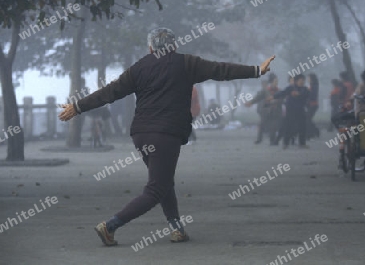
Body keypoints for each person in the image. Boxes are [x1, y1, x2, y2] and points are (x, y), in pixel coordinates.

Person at [58, 27, 275, 246]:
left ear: (151, 47)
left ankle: (177, 229)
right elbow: (221, 70)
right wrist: (257, 70)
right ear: (174, 46)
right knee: (156, 188)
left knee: (163, 180)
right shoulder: (187, 63)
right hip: (166, 135)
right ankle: (110, 226)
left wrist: (77, 107)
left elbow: (109, 92)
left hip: (141, 134)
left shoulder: (139, 67)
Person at [273, 74, 310, 149]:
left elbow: (305, 95)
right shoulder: (290, 88)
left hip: (300, 110)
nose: (302, 82)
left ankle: (302, 143)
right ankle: (285, 143)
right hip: (291, 110)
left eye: (303, 80)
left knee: (302, 127)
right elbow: (282, 93)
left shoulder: (305, 89)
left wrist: (298, 94)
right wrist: (273, 97)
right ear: (296, 81)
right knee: (288, 127)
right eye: (300, 80)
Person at [246, 73, 282, 145]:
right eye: (275, 81)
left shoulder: (279, 91)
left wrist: (276, 102)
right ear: (271, 82)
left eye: (277, 81)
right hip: (266, 111)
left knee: (273, 127)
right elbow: (258, 97)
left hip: (276, 112)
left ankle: (273, 141)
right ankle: (259, 139)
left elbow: (282, 99)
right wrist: (251, 102)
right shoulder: (265, 90)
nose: (277, 83)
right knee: (261, 125)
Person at [306, 73, 320, 139]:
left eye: (308, 78)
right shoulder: (312, 85)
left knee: (307, 119)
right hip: (311, 105)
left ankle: (311, 133)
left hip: (313, 105)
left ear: (311, 79)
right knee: (308, 119)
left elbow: (313, 96)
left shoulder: (314, 86)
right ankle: (315, 131)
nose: (307, 79)